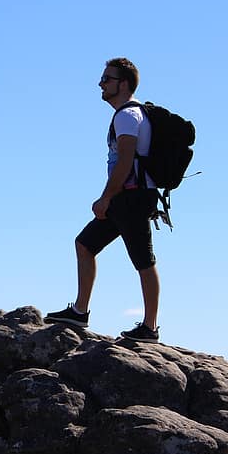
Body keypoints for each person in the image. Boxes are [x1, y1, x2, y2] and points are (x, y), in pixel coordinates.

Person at [45, 57, 161, 343]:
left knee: (143, 260)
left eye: (107, 79)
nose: (101, 83)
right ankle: (80, 311)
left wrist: (106, 198)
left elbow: (124, 160)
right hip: (127, 196)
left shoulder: (126, 116)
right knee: (85, 244)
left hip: (130, 198)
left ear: (123, 84)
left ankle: (150, 327)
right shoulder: (130, 115)